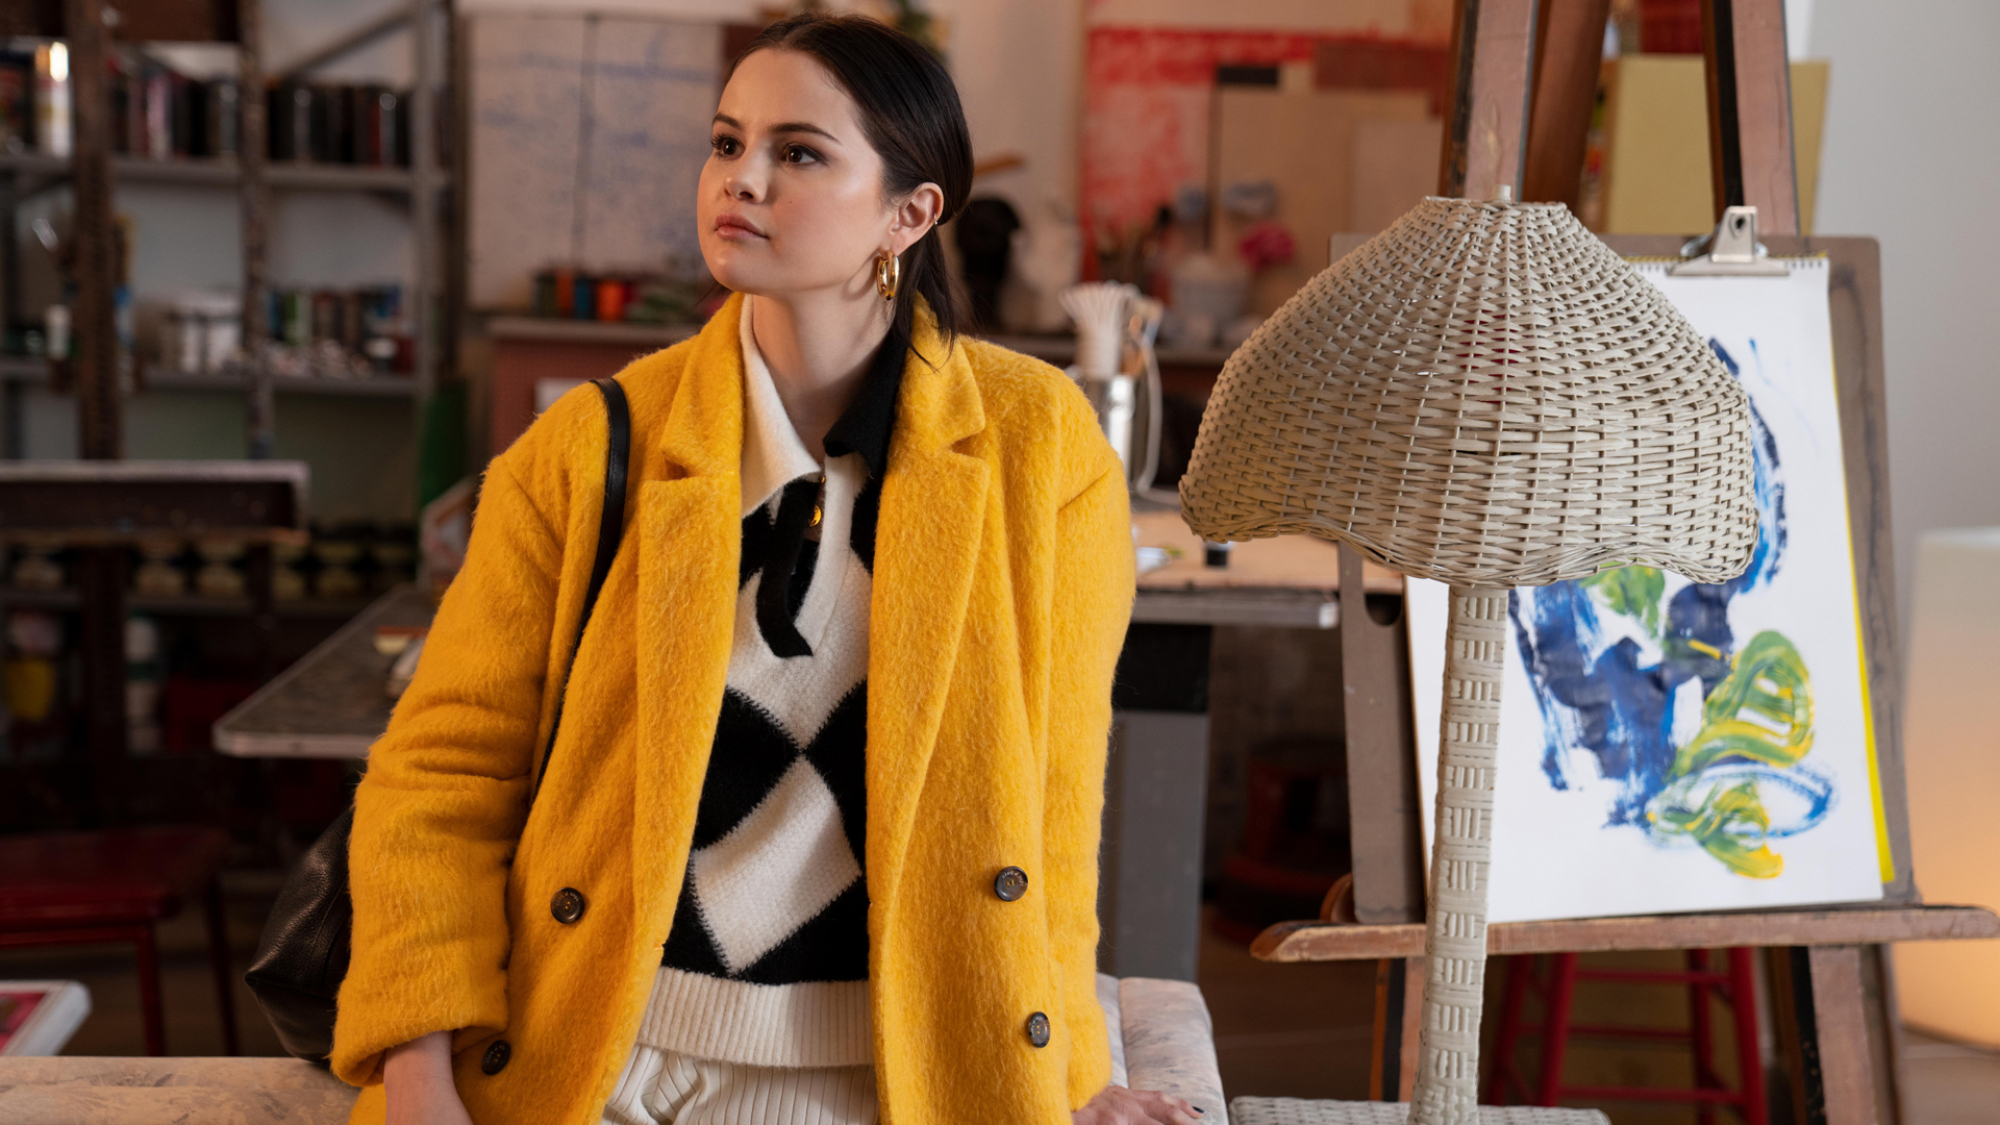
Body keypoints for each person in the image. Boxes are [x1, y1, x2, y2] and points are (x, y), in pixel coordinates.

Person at [330, 14, 1201, 1125]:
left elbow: (1051, 807)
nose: (740, 180)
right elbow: (440, 778)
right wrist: (415, 1075)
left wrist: (1073, 1072)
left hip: (894, 1081)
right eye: (725, 142)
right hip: (599, 1062)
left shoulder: (1040, 449)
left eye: (796, 153)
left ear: (910, 211)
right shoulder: (592, 445)